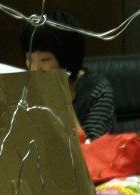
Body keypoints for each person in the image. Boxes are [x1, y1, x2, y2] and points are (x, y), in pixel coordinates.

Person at [19, 11, 116, 140]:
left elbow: (92, 147)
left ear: (66, 58)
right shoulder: (26, 90)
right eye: (29, 59)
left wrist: (60, 100)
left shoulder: (97, 91)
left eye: (45, 60)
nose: (35, 69)